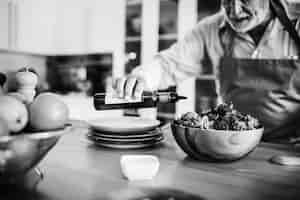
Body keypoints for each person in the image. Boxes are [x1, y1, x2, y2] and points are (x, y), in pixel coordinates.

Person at [114, 0, 300, 142]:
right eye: (227, 0)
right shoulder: (211, 29)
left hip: (289, 148)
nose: (234, 10)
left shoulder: (297, 20)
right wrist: (141, 77)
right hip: (231, 143)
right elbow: (168, 65)